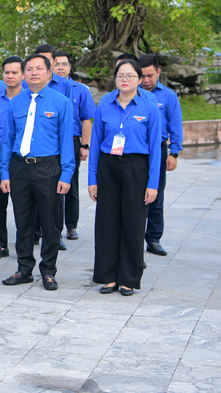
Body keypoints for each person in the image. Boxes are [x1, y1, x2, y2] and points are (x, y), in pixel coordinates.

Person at [0, 54, 74, 291]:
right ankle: (24, 269)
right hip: (19, 167)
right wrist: (4, 173)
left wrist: (66, 174)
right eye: (29, 69)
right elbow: (7, 139)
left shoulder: (61, 102)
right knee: (23, 221)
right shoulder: (15, 103)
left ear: (49, 73)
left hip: (48, 168)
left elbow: (66, 142)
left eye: (39, 69)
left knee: (50, 222)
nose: (33, 73)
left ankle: (49, 271)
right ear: (23, 74)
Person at [89, 58, 162, 295]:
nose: (125, 79)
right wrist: (92, 179)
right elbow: (96, 144)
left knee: (133, 223)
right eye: (121, 75)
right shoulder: (105, 105)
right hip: (108, 166)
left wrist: (152, 184)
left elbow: (156, 149)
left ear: (140, 80)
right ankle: (108, 276)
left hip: (136, 167)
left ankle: (129, 278)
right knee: (107, 222)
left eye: (130, 76)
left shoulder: (149, 106)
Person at [139, 53, 182, 257]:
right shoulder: (132, 94)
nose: (146, 80)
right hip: (137, 150)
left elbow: (175, 125)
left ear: (158, 72)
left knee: (156, 194)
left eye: (150, 76)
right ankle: (134, 236)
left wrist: (174, 153)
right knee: (135, 194)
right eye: (142, 76)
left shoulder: (168, 96)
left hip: (158, 148)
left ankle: (154, 238)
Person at [0, 56, 24, 260]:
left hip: (22, 158)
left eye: (15, 72)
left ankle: (25, 244)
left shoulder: (29, 99)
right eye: (7, 72)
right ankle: (0, 244)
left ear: (23, 75)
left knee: (24, 204)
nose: (10, 76)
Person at [52, 52, 94, 241]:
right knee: (53, 185)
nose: (60, 67)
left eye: (64, 64)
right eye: (57, 64)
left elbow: (87, 119)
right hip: (53, 143)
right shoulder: (47, 89)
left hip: (73, 141)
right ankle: (54, 227)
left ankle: (71, 225)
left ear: (70, 68)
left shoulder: (80, 89)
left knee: (71, 183)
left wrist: (85, 145)